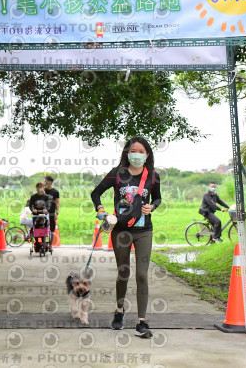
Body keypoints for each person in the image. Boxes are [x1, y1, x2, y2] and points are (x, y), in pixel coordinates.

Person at [90, 136, 161, 339]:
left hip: (144, 230)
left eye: (141, 152)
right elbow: (96, 193)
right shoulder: (117, 173)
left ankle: (141, 322)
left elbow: (158, 198)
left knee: (142, 275)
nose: (136, 155)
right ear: (127, 153)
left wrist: (152, 206)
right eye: (133, 151)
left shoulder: (152, 176)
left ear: (147, 154)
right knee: (123, 273)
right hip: (120, 231)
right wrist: (101, 210)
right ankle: (119, 311)